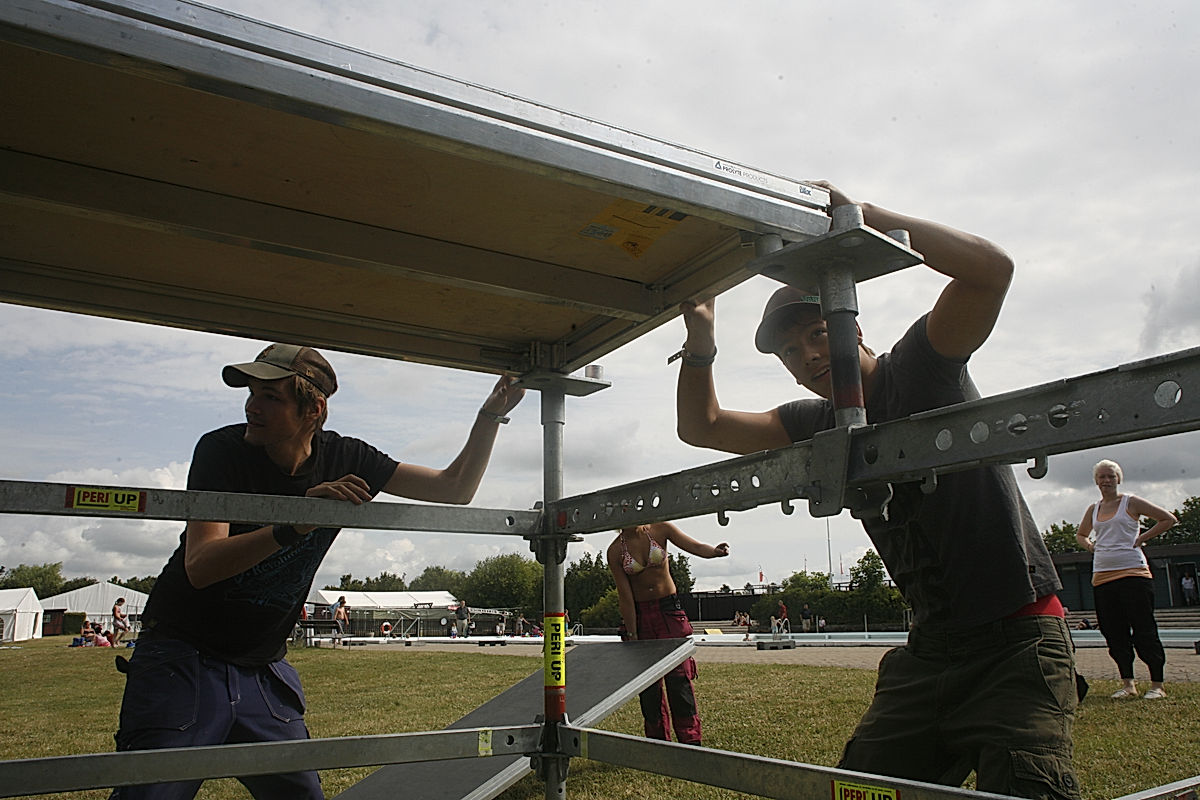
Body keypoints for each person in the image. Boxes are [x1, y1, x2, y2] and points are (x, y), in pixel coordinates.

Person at [676, 182, 1080, 798]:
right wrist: (701, 343)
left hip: (1017, 639)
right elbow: (702, 428)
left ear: (853, 328)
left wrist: (867, 218)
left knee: (1030, 787)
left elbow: (991, 272)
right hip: (929, 650)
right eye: (789, 351)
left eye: (817, 334)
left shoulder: (921, 366)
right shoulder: (815, 422)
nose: (807, 355)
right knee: (861, 787)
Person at [111, 342, 523, 799]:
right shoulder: (221, 450)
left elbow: (455, 488)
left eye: (271, 397)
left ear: (314, 409)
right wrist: (294, 523)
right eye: (251, 393)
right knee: (152, 794)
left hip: (262, 665)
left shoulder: (347, 458)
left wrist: (490, 415)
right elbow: (200, 565)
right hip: (182, 655)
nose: (252, 406)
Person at [607, 521, 728, 745]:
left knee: (679, 678)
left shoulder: (661, 529)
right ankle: (657, 742)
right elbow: (625, 596)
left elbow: (694, 546)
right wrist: (632, 634)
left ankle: (691, 740)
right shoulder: (615, 550)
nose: (628, 510)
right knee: (648, 685)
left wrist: (714, 552)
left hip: (668, 610)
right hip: (641, 616)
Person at [1075, 459, 1176, 700]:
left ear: (1118, 479)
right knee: (1113, 631)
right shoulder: (1094, 509)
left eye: (1110, 476)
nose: (1106, 481)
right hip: (1103, 577)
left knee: (1143, 628)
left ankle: (1157, 684)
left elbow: (1168, 519)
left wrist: (1142, 538)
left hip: (1133, 573)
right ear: (1096, 481)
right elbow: (1081, 534)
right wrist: (1090, 545)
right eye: (1102, 477)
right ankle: (1128, 684)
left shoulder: (1131, 502)